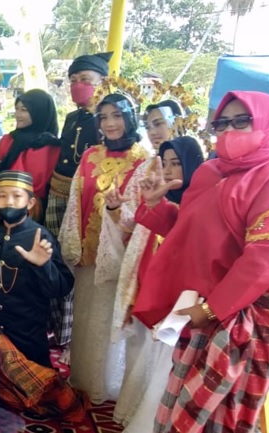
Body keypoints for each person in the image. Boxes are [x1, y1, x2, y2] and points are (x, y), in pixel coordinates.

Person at [133, 91, 269, 432]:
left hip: (240, 313)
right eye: (222, 123)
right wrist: (156, 206)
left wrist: (213, 309)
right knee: (178, 403)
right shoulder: (212, 171)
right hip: (197, 303)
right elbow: (189, 231)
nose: (231, 130)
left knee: (215, 413)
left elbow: (263, 258)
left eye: (243, 121)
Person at [58, 93, 148, 404]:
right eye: (104, 117)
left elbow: (141, 213)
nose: (110, 123)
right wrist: (71, 245)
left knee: (110, 318)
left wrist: (116, 216)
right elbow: (74, 203)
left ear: (130, 118)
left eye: (117, 116)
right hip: (87, 253)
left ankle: (105, 384)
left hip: (120, 256)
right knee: (86, 319)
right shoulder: (88, 156)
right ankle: (82, 380)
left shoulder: (144, 161)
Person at [113, 136, 204, 432]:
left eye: (176, 163)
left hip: (189, 297)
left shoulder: (204, 197)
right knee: (147, 358)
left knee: (170, 366)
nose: (168, 170)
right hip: (153, 289)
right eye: (164, 163)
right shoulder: (169, 199)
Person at [0, 171, 86, 422]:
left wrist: (44, 265)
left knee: (41, 399)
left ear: (30, 202)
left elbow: (61, 288)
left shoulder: (41, 236)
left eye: (16, 196)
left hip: (28, 329)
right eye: (2, 196)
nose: (8, 202)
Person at [107, 98, 186, 426]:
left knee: (166, 353)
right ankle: (134, 412)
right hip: (142, 264)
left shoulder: (198, 167)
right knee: (139, 345)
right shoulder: (147, 167)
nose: (153, 131)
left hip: (177, 278)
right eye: (149, 124)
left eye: (160, 123)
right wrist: (113, 210)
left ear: (179, 121)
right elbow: (134, 219)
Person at [44, 52, 111, 348]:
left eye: (85, 80)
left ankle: (75, 334)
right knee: (55, 258)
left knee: (78, 264)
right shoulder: (72, 117)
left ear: (102, 83)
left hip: (86, 200)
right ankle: (57, 329)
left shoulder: (108, 119)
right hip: (57, 193)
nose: (78, 86)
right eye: (73, 80)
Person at [0, 89, 61, 223]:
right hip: (1, 203)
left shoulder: (50, 145)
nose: (18, 114)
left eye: (24, 110)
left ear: (39, 112)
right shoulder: (9, 139)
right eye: (17, 109)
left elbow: (39, 183)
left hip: (33, 211)